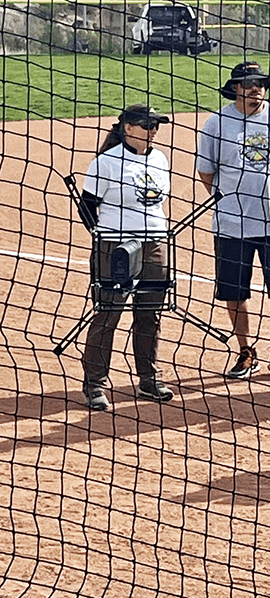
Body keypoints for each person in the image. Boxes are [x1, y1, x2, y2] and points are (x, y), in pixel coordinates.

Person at [196, 62, 270, 381]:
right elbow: (206, 171)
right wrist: (231, 199)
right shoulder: (217, 123)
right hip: (231, 225)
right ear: (236, 89)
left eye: (261, 83)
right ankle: (245, 351)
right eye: (249, 83)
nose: (256, 88)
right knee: (234, 292)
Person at [77, 104, 175, 411]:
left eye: (156, 125)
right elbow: (86, 206)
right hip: (116, 246)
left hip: (155, 244)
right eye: (147, 125)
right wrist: (105, 238)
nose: (153, 131)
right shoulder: (106, 162)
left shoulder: (159, 158)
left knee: (150, 314)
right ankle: (94, 383)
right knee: (108, 313)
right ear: (128, 128)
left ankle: (148, 379)